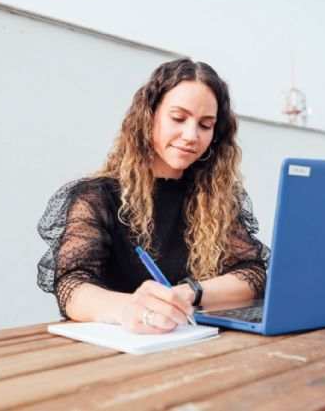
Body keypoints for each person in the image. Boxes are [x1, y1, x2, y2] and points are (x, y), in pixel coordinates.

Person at [37, 59, 269, 334]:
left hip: (192, 347)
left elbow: (253, 273)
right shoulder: (96, 197)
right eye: (178, 118)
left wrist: (189, 293)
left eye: (205, 125)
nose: (191, 135)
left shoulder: (216, 197)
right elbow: (71, 284)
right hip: (121, 351)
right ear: (149, 116)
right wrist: (130, 309)